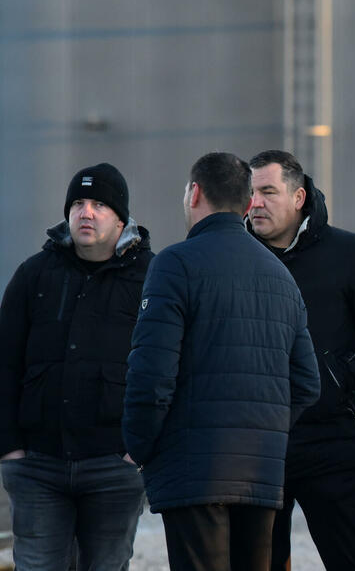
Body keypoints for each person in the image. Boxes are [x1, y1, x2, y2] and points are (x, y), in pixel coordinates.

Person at [123, 152, 321, 571]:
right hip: (261, 471)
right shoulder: (280, 274)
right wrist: (262, 428)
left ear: (194, 193)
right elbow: (307, 383)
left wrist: (140, 445)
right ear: (248, 202)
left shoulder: (174, 264)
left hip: (193, 468)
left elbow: (152, 372)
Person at [247, 150, 355, 571]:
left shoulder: (350, 252)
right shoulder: (234, 256)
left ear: (299, 196)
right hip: (253, 445)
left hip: (330, 441)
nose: (256, 203)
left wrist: (337, 377)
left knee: (353, 562)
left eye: (268, 191)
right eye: (249, 193)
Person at [0, 163, 152, 570]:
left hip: (114, 466)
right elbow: (5, 360)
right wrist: (10, 448)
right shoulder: (36, 274)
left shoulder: (151, 279)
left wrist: (137, 450)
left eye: (99, 204)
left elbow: (169, 368)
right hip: (38, 466)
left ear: (121, 219)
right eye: (79, 203)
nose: (86, 212)